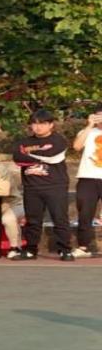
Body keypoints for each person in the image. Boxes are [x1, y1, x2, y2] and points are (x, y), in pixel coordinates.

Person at [11, 109, 74, 261]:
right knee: (33, 220)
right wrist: (36, 157)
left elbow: (52, 156)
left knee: (60, 219)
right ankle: (30, 249)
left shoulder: (58, 140)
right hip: (31, 187)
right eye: (34, 123)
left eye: (43, 124)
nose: (38, 127)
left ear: (51, 125)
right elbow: (18, 158)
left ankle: (65, 250)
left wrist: (28, 155)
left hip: (55, 186)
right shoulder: (24, 142)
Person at [70, 107, 102, 257]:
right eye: (98, 116)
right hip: (87, 177)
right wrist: (89, 125)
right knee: (85, 213)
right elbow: (76, 146)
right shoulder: (87, 132)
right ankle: (83, 247)